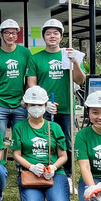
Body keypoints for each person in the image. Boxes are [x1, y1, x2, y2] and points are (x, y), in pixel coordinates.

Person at [25, 18, 86, 177]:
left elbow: (80, 80)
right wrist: (43, 104)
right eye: (48, 33)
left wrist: (76, 63)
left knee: (66, 142)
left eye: (56, 33)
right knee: (42, 141)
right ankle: (44, 170)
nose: (52, 36)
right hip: (42, 109)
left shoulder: (69, 55)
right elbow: (32, 85)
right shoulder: (35, 58)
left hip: (66, 107)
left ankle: (67, 175)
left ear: (61, 37)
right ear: (44, 37)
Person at [11, 86, 70, 201]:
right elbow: (16, 154)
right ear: (26, 105)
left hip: (53, 173)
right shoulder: (19, 127)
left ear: (45, 105)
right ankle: (37, 195)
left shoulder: (54, 127)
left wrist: (53, 167)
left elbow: (63, 156)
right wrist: (31, 167)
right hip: (30, 173)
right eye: (32, 104)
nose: (36, 108)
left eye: (39, 104)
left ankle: (49, 193)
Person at [0, 18, 32, 140]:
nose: (10, 36)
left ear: (17, 35)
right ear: (1, 35)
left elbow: (30, 77)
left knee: (20, 140)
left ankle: (18, 160)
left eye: (13, 33)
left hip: (20, 104)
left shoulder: (25, 53)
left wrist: (27, 99)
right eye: (7, 33)